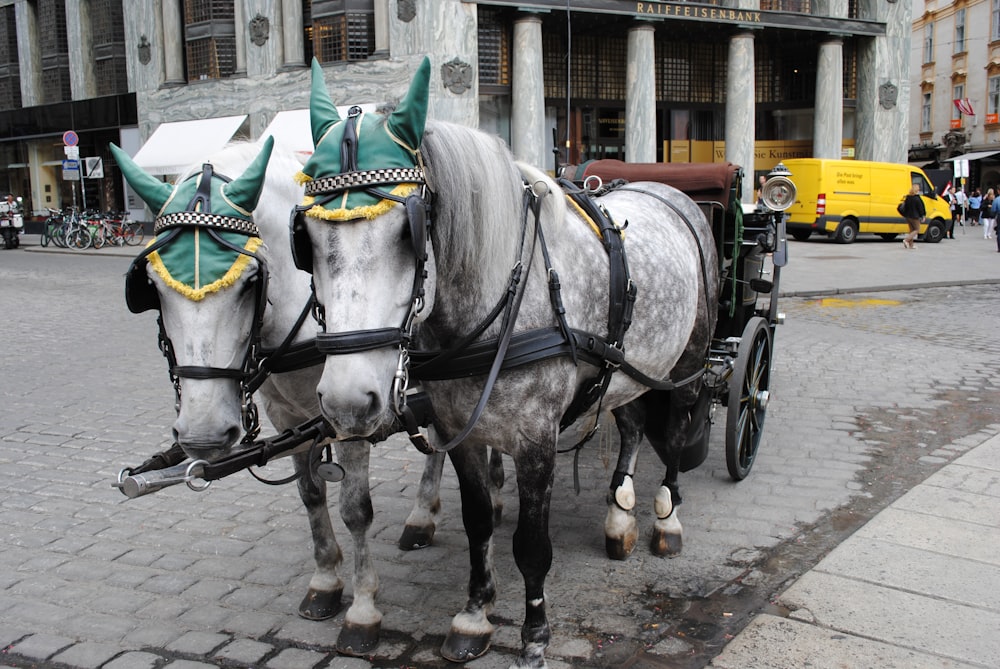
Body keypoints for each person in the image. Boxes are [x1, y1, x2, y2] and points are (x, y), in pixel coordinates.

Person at [900, 183, 925, 249]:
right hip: (915, 216)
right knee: (917, 229)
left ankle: (911, 245)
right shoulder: (917, 198)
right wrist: (923, 215)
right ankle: (906, 240)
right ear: (917, 190)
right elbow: (921, 208)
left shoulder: (908, 197)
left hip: (908, 216)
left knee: (911, 230)